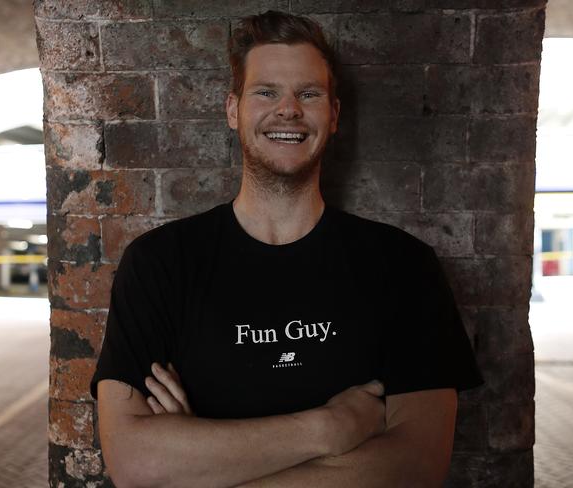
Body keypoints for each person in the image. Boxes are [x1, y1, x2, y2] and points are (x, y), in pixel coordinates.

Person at [90, 10, 483, 487]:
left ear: (334, 115)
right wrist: (328, 428)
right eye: (266, 92)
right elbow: (136, 465)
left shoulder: (402, 266)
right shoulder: (159, 263)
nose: (289, 109)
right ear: (233, 109)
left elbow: (417, 468)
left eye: (309, 94)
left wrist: (202, 461)